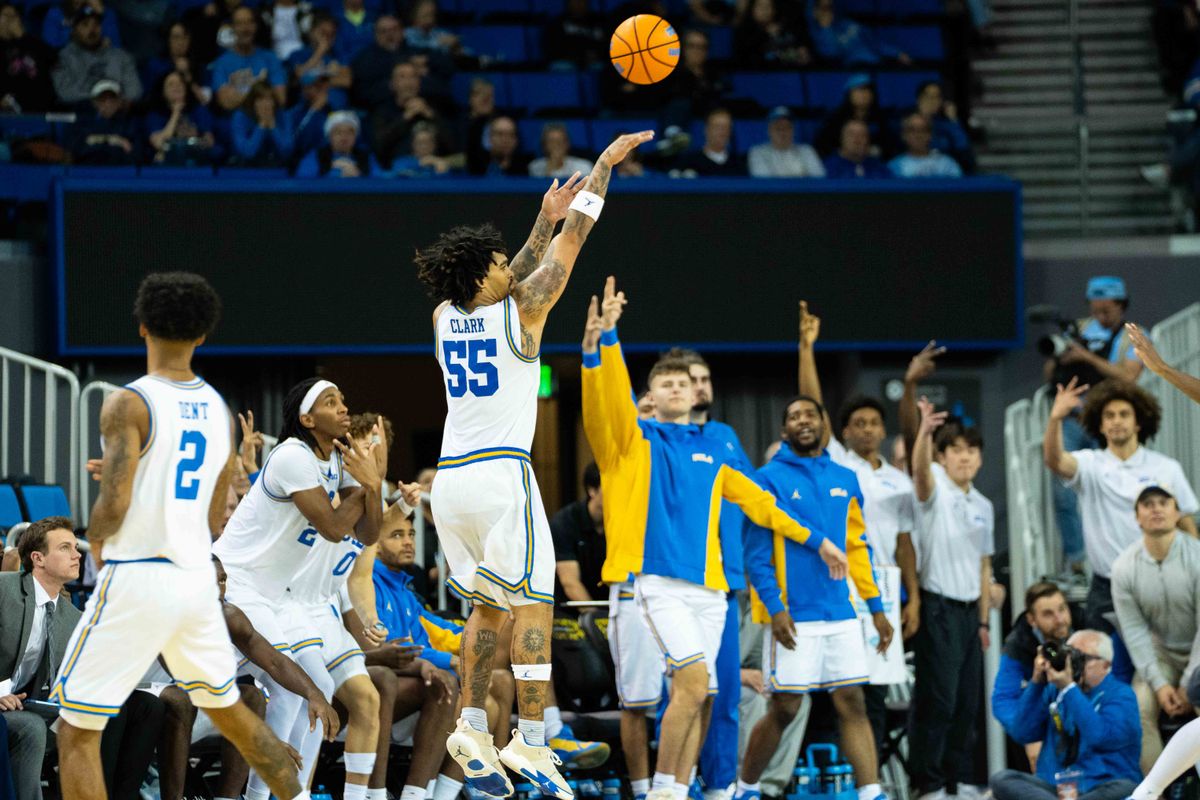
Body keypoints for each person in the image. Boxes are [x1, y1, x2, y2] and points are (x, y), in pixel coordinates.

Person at [414, 132, 652, 800]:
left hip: (452, 482)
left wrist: (537, 223)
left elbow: (514, 269)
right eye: (499, 264)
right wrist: (602, 172)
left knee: (488, 609)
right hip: (500, 476)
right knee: (536, 601)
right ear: (486, 278)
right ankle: (532, 737)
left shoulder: (443, 316)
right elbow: (572, 246)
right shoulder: (524, 311)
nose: (510, 268)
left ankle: (471, 725)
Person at [581, 276, 850, 800]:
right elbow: (605, 404)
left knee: (703, 692)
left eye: (685, 383)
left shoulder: (715, 449)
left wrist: (818, 541)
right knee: (680, 686)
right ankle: (659, 790)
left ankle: (680, 787)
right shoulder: (631, 443)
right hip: (651, 583)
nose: (678, 388)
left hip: (712, 591)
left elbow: (762, 503)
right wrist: (605, 344)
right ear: (650, 398)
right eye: (666, 384)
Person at [53, 273, 309, 800]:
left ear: (142, 326)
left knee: (76, 732)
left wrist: (100, 544)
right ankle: (294, 791)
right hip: (195, 581)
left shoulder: (129, 403)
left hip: (140, 575)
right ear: (203, 336)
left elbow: (114, 504)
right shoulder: (216, 408)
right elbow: (217, 517)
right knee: (231, 715)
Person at [213, 374, 383, 800]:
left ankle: (289, 790)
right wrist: (363, 490)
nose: (344, 407)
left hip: (274, 593)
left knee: (317, 688)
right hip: (234, 579)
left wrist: (373, 486)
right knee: (291, 692)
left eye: (343, 399)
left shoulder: (339, 460)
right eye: (331, 402)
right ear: (307, 418)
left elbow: (366, 534)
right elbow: (331, 527)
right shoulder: (291, 456)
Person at [737, 396, 892, 800]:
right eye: (793, 416)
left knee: (852, 700)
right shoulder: (766, 477)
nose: (802, 421)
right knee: (785, 707)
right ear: (784, 429)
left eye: (810, 414)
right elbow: (756, 557)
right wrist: (775, 610)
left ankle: (871, 791)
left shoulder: (845, 477)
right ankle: (746, 787)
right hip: (793, 614)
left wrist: (876, 610)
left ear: (824, 423)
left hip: (840, 611)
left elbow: (858, 548)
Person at [796, 300, 919, 752]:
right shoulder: (839, 463)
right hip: (839, 581)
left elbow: (906, 544)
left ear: (882, 431)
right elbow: (811, 406)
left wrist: (914, 597)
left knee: (878, 687)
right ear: (843, 433)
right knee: (836, 681)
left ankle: (877, 768)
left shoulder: (898, 479)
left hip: (884, 587)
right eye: (858, 423)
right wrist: (807, 348)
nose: (866, 429)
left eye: (873, 423)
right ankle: (831, 766)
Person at [156, 556, 340, 800]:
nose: (218, 590)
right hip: (145, 706)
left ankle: (230, 798)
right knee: (181, 700)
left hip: (200, 708)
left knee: (251, 697)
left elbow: (274, 660)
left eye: (222, 580)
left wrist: (314, 694)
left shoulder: (229, 615)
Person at [1043, 377, 1198, 642]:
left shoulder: (1166, 467)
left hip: (1159, 586)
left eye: (1124, 414)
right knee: (1098, 674)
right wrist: (1056, 418)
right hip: (1107, 587)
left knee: (1160, 671)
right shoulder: (1090, 464)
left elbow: (1184, 521)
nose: (1117, 421)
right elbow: (1055, 460)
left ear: (1138, 421)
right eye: (1109, 415)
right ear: (1099, 425)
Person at [908, 398, 995, 800]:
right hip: (938, 605)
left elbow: (983, 566)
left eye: (971, 450)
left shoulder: (984, 505)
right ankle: (928, 784)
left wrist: (982, 622)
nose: (965, 457)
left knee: (966, 704)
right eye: (956, 450)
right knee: (938, 700)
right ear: (943, 457)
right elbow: (920, 474)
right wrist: (925, 431)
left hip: (968, 615)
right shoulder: (934, 492)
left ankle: (956, 782)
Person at [1043, 276, 1147, 577]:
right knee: (1063, 495)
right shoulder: (1080, 330)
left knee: (1117, 493)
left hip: (1110, 424)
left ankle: (1125, 557)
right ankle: (1077, 560)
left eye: (1107, 310)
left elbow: (1128, 377)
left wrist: (1086, 355)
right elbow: (1050, 373)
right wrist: (1060, 354)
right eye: (1095, 308)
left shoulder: (1134, 336)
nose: (1100, 315)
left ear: (1121, 306)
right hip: (1074, 421)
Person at [988, 630, 1141, 800]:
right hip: (1056, 787)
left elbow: (1099, 736)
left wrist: (1069, 689)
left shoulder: (1122, 694)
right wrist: (1037, 682)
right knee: (1002, 779)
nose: (1072, 664)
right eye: (1069, 656)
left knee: (1126, 787)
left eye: (1081, 658)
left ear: (1105, 665)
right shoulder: (1054, 690)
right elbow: (1023, 732)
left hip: (1102, 785)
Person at [1112, 486, 1200, 774]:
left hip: (1198, 654)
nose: (1156, 509)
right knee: (1137, 708)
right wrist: (1160, 685)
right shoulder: (1124, 567)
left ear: (1177, 513)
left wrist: (1189, 683)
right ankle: (1154, 792)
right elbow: (1134, 632)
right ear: (1137, 517)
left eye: (1164, 503)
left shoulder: (1197, 556)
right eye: (1147, 504)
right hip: (1160, 655)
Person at [992, 582, 1080, 768]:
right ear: (1032, 620)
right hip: (1041, 715)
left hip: (1083, 710)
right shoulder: (1018, 644)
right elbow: (1003, 700)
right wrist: (1029, 730)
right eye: (1048, 614)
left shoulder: (1084, 627)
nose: (1059, 619)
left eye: (1062, 609)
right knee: (1034, 755)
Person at [52, 6, 142, 107]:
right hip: (81, 114)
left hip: (118, 114)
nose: (92, 30)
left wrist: (115, 102)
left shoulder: (121, 56)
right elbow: (65, 93)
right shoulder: (63, 58)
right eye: (85, 24)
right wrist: (98, 100)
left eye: (96, 24)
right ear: (74, 30)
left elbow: (135, 91)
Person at [209, 6, 286, 111]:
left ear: (255, 26)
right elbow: (226, 102)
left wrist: (238, 96)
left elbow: (280, 98)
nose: (245, 29)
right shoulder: (222, 63)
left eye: (249, 22)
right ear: (233, 28)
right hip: (236, 124)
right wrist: (262, 91)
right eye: (239, 24)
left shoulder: (270, 58)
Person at [369, 60, 442, 169]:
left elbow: (453, 146)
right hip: (395, 178)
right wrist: (405, 117)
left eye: (413, 77)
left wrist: (432, 117)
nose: (408, 82)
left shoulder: (433, 109)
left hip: (432, 175)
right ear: (392, 84)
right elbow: (379, 146)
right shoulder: (382, 112)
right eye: (402, 77)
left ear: (419, 82)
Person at [551, 463, 605, 605]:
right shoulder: (564, 522)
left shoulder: (626, 523)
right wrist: (595, 618)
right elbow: (570, 582)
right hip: (569, 612)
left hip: (613, 608)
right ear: (592, 490)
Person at [144, 70, 218, 165]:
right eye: (171, 84)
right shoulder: (155, 115)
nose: (176, 87)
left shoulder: (198, 110)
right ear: (163, 91)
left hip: (196, 161)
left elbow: (210, 141)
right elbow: (158, 143)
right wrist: (176, 113)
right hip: (166, 165)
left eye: (180, 83)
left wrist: (195, 137)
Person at [807, 0, 910, 66]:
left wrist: (897, 53)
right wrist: (826, 29)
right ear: (814, 12)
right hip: (853, 70)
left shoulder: (850, 24)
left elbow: (875, 43)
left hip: (876, 63)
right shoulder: (816, 36)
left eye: (830, 7)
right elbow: (832, 55)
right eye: (823, 8)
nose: (827, 13)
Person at [285, 12, 352, 110]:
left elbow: (346, 81)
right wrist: (320, 51)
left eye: (332, 34)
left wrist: (316, 80)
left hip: (336, 109)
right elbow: (300, 77)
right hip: (307, 107)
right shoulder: (298, 55)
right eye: (323, 33)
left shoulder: (339, 55)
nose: (328, 38)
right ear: (312, 32)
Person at [813, 74, 891, 158]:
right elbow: (822, 146)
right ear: (849, 94)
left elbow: (889, 146)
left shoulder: (880, 119)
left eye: (868, 90)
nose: (864, 94)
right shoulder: (835, 119)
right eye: (859, 90)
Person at [0, 2, 56, 113]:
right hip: (7, 109)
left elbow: (52, 59)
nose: (11, 20)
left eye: (14, 16)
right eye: (6, 16)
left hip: (38, 105)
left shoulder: (29, 41)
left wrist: (23, 36)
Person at [70, 79, 139, 164]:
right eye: (102, 100)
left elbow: (135, 153)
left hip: (120, 172)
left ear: (119, 102)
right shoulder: (82, 124)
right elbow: (78, 150)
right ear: (94, 102)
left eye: (112, 100)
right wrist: (115, 140)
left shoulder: (130, 124)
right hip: (87, 172)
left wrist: (95, 141)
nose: (107, 104)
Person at [350, 15, 411, 110]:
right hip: (381, 111)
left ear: (403, 31)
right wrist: (393, 86)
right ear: (376, 35)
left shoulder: (417, 54)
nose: (390, 35)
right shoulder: (364, 62)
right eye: (384, 31)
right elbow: (360, 96)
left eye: (394, 29)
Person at [296, 110, 382, 177]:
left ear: (356, 136)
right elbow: (304, 182)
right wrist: (333, 174)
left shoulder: (367, 158)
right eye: (338, 132)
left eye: (350, 132)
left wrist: (358, 176)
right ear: (329, 136)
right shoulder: (316, 157)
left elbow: (380, 182)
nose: (344, 137)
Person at [913, 81, 973, 173]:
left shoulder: (948, 126)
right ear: (919, 99)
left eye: (937, 97)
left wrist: (954, 122)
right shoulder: (908, 123)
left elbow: (964, 150)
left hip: (943, 173)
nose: (933, 101)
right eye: (929, 97)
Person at [748, 107, 825, 178]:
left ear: (793, 131)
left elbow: (819, 178)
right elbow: (765, 183)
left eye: (787, 127)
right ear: (769, 131)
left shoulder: (806, 150)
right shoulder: (758, 152)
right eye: (778, 128)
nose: (783, 132)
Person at [231, 80, 295, 166]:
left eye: (269, 99)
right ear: (253, 102)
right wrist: (262, 125)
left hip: (278, 169)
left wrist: (273, 126)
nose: (266, 104)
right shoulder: (240, 117)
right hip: (247, 169)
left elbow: (287, 151)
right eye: (260, 100)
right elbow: (247, 153)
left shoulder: (284, 116)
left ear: (274, 102)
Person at [733, 0, 810, 67]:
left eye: (768, 6)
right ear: (752, 9)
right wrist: (765, 34)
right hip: (761, 77)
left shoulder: (787, 28)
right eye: (760, 6)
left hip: (791, 74)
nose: (765, 10)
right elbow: (745, 60)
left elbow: (804, 50)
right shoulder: (744, 33)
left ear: (774, 10)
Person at [676, 107, 746, 177]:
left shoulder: (738, 164)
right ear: (706, 130)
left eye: (726, 127)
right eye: (717, 127)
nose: (722, 132)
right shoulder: (689, 162)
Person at [888, 113, 963, 178]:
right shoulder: (894, 167)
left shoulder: (947, 164)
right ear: (904, 135)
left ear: (930, 135)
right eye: (912, 130)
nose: (918, 135)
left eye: (923, 130)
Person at [822, 120, 890, 179]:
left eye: (862, 135)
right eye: (851, 135)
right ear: (841, 139)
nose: (857, 140)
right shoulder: (827, 168)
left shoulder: (879, 168)